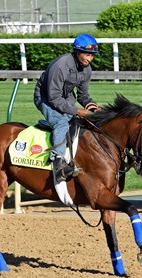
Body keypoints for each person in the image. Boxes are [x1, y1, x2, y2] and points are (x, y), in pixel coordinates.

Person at [33, 33, 100, 183]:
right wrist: (77, 110)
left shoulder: (86, 69)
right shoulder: (60, 66)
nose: (89, 59)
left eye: (92, 55)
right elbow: (53, 98)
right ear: (77, 52)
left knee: (80, 122)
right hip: (45, 97)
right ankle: (58, 163)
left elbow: (83, 96)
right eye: (86, 54)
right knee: (61, 122)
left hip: (65, 97)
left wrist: (95, 108)